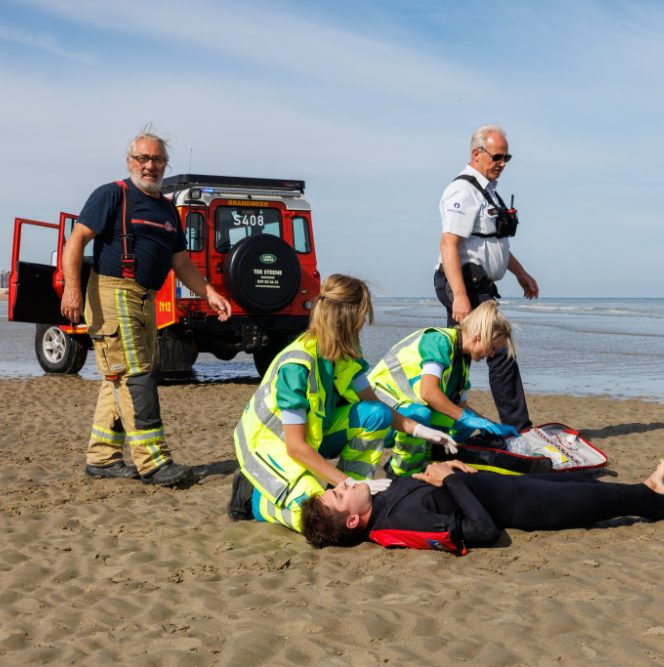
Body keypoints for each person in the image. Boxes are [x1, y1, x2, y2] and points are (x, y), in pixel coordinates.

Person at [60, 129, 233, 487]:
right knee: (136, 376)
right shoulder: (112, 195)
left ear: (165, 165)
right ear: (130, 162)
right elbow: (76, 240)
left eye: (157, 160)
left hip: (146, 297)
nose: (150, 165)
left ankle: (102, 458)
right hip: (111, 291)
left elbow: (181, 262)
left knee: (119, 376)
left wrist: (210, 294)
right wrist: (72, 290)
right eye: (143, 158)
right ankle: (153, 462)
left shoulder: (168, 209)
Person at [228, 274, 458, 534]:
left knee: (376, 415)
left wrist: (418, 429)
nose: (362, 326)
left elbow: (375, 406)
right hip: (272, 450)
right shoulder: (296, 366)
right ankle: (251, 496)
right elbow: (295, 447)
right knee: (314, 516)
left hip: (312, 439)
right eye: (361, 319)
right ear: (348, 319)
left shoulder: (343, 354)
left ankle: (351, 495)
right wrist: (345, 480)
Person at [298, 459, 664, 553]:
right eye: (339, 493)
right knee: (630, 503)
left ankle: (651, 485)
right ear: (355, 519)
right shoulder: (401, 520)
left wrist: (431, 471)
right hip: (530, 511)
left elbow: (406, 481)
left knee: (605, 488)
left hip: (520, 490)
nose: (344, 484)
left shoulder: (384, 501)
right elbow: (483, 530)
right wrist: (449, 478)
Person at [434, 124, 539, 432]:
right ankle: (519, 428)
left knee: (459, 356)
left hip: (481, 285)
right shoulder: (461, 191)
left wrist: (521, 274)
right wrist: (461, 296)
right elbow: (448, 243)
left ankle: (447, 419)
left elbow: (493, 244)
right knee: (499, 350)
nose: (502, 163)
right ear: (476, 154)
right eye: (497, 156)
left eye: (507, 157)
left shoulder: (489, 192)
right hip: (464, 284)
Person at [367, 301, 520, 477]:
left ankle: (429, 460)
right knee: (422, 414)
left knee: (462, 424)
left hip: (404, 412)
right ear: (480, 336)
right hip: (380, 411)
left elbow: (462, 408)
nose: (491, 355)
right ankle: (400, 473)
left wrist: (491, 425)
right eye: (492, 348)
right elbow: (428, 392)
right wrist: (465, 417)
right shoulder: (439, 341)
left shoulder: (461, 362)